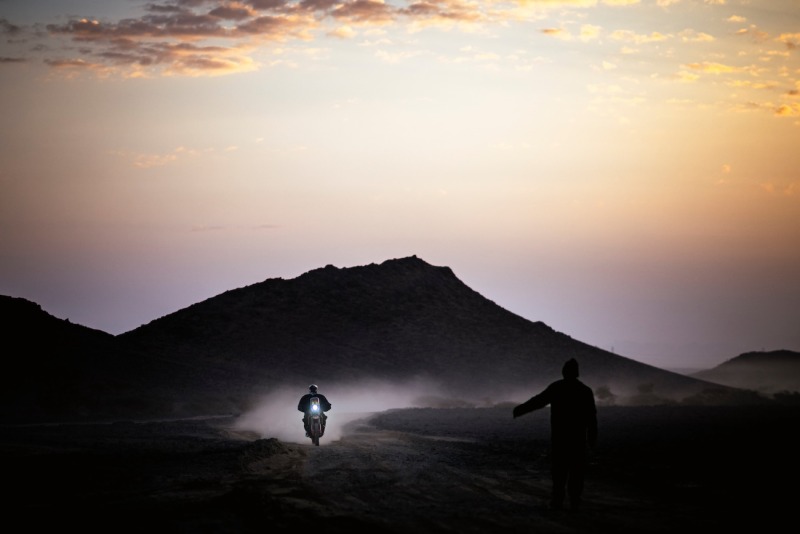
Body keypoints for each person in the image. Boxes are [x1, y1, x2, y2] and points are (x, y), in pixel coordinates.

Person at [513, 358, 597, 511]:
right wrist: (592, 438)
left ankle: (557, 501)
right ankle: (574, 501)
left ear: (564, 372)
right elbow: (592, 417)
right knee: (576, 471)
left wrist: (519, 410)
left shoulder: (557, 387)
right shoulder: (585, 390)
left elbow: (539, 401)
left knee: (559, 470)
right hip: (578, 438)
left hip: (560, 437)